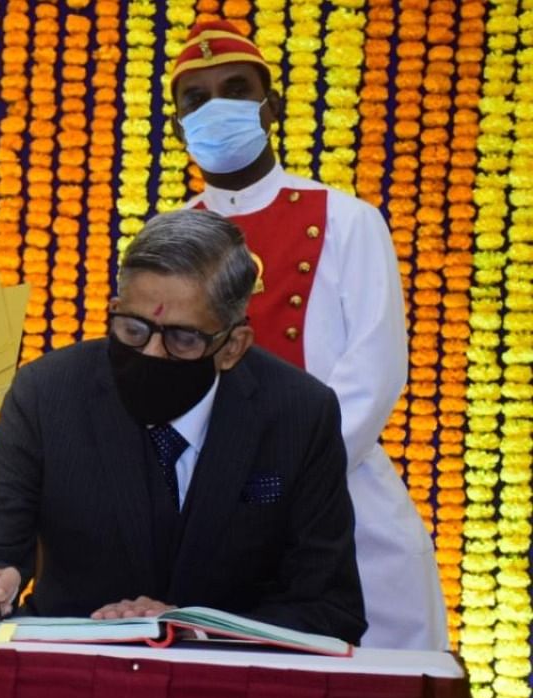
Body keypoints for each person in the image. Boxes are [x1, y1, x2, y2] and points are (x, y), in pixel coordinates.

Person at [0, 209, 367, 644]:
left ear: (233, 346)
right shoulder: (48, 394)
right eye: (134, 329)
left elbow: (330, 608)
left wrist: (192, 627)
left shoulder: (299, 413)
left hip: (229, 689)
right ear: (115, 309)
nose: (153, 354)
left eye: (183, 339)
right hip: (73, 677)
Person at [169, 20, 447, 650]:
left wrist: (281, 477)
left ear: (270, 106)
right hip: (202, 498)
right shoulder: (167, 234)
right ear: (177, 126)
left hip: (337, 491)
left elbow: (373, 372)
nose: (216, 108)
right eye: (196, 98)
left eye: (235, 90)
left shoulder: (348, 219)